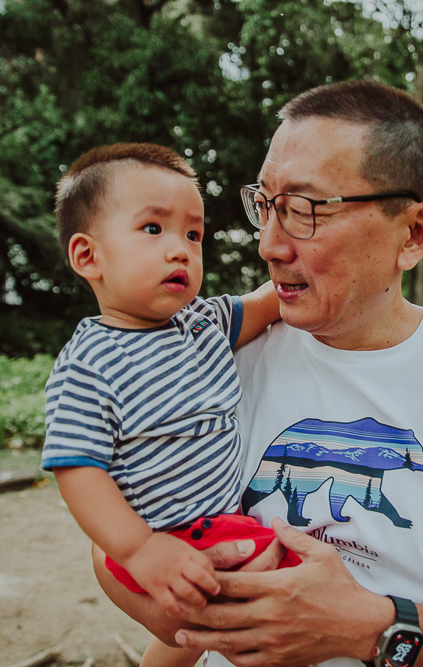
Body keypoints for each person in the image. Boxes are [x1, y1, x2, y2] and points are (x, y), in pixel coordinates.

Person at [95, 82, 423, 667]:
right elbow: (120, 546)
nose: (270, 247)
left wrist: (375, 628)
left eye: (305, 210)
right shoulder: (218, 363)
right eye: (267, 206)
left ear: (414, 234)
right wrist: (218, 619)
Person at [40, 143, 299, 667]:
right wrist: (139, 549)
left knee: (220, 622)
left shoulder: (205, 323)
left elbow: (268, 301)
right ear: (88, 256)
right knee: (264, 602)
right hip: (154, 539)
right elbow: (76, 468)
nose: (181, 249)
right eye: (154, 229)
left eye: (193, 234)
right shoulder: (90, 362)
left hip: (219, 524)